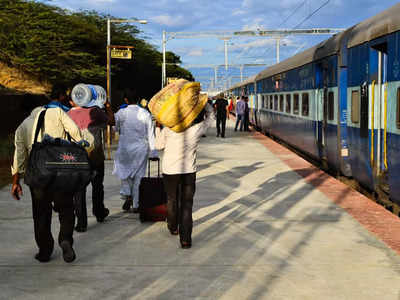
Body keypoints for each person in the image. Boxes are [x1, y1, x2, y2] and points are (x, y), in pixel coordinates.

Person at [11, 84, 85, 263]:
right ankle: (65, 239)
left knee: (41, 213)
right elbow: (76, 133)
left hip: (38, 176)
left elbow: (19, 158)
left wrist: (15, 182)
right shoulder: (56, 113)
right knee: (66, 208)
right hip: (61, 170)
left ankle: (45, 251)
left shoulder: (22, 126)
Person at [155, 101, 213, 249]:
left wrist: (157, 128)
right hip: (188, 171)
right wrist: (204, 103)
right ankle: (185, 239)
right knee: (187, 205)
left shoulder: (168, 130)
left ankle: (173, 227)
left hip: (170, 171)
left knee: (171, 199)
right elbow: (210, 117)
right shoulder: (196, 129)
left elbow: (158, 146)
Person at [68, 94, 114, 232]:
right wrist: (108, 107)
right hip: (95, 155)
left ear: (72, 101)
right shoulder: (95, 111)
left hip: (77, 157)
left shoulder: (67, 114)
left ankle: (81, 222)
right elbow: (111, 121)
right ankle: (99, 212)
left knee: (78, 190)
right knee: (97, 185)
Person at [113, 89, 158, 213]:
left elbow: (115, 129)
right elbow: (151, 134)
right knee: (138, 177)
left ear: (125, 100)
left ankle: (128, 195)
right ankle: (136, 204)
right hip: (140, 149)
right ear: (138, 100)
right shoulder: (145, 113)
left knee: (125, 174)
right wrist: (153, 152)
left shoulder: (121, 113)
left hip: (125, 149)